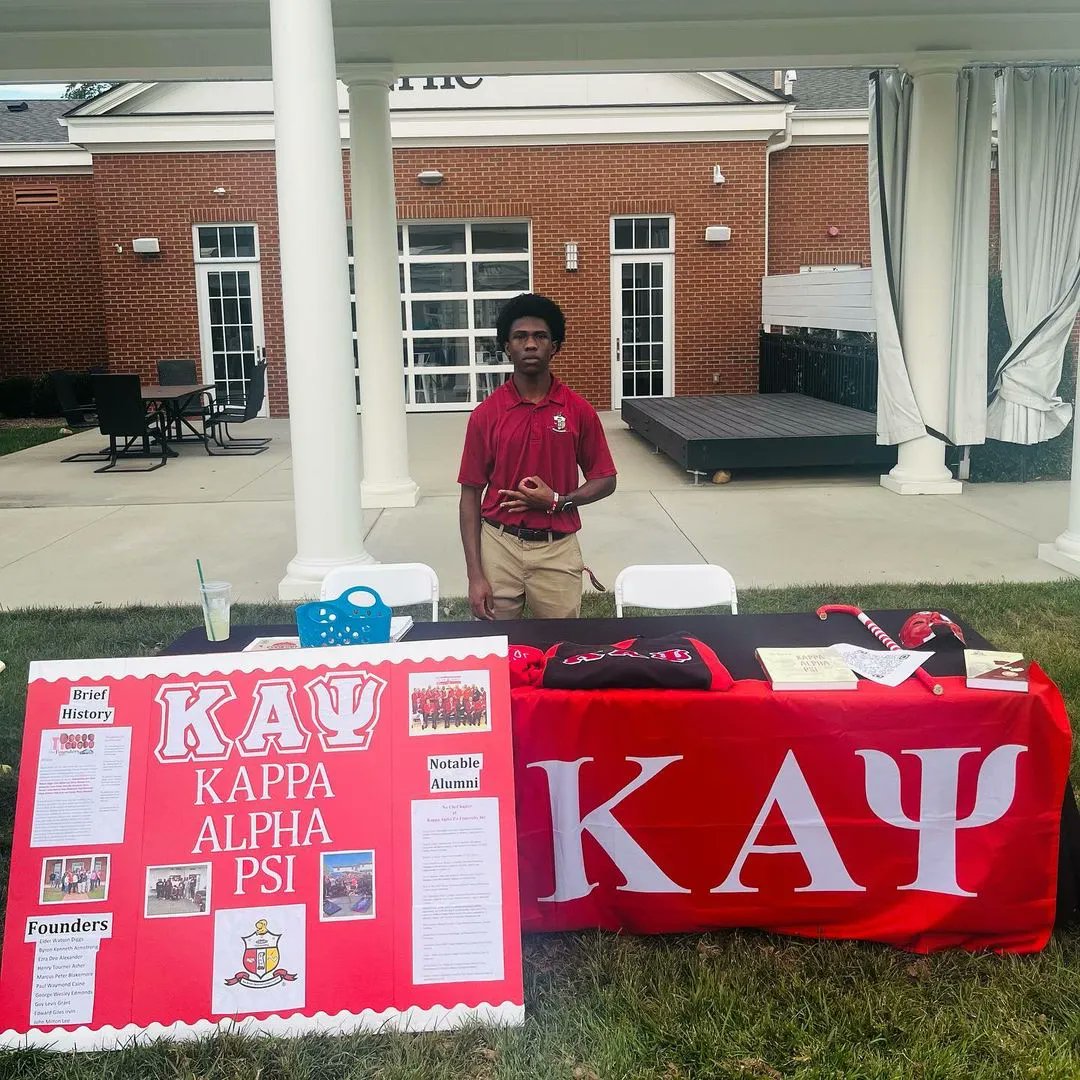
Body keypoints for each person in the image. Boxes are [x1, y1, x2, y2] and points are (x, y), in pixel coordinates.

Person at [458, 293, 617, 620]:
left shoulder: (578, 411)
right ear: (507, 347)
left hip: (556, 546)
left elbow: (606, 479)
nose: (530, 344)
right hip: (498, 544)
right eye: (520, 337)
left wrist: (558, 501)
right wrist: (475, 575)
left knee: (560, 649)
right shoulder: (486, 415)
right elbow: (470, 495)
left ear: (554, 347)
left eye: (540, 336)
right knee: (496, 648)